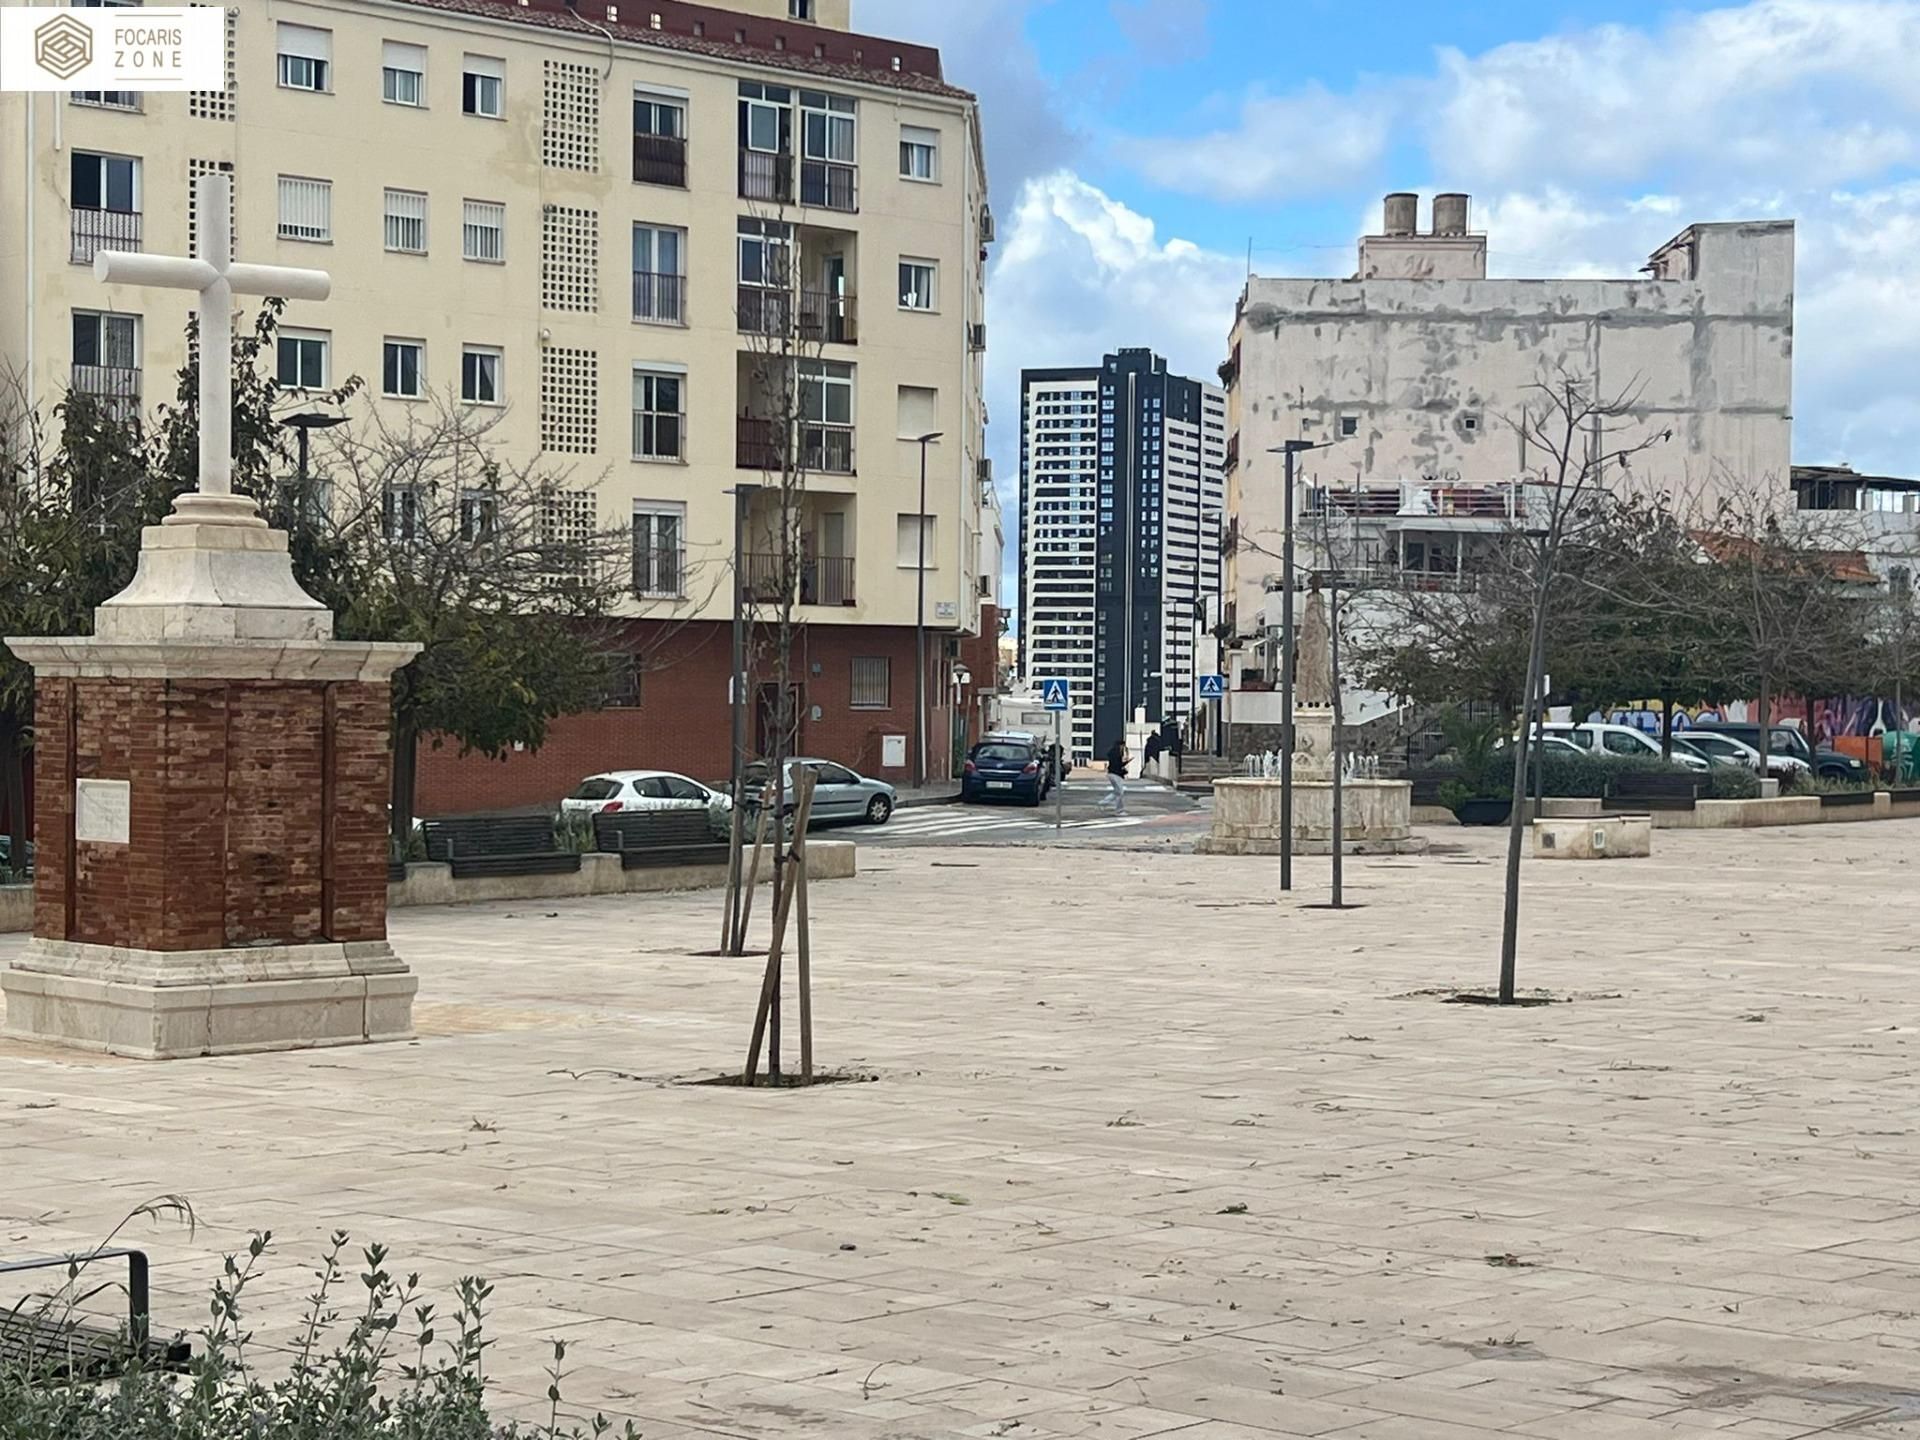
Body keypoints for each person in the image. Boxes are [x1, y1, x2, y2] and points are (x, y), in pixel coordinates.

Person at [1099, 736, 1130, 815]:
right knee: (1120, 792)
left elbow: (1116, 764)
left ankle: (1103, 803)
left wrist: (1125, 763)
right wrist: (1124, 769)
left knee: (1117, 792)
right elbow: (1118, 765)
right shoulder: (1117, 753)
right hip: (1116, 774)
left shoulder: (1113, 752)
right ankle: (1119, 810)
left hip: (1111, 774)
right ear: (1121, 745)